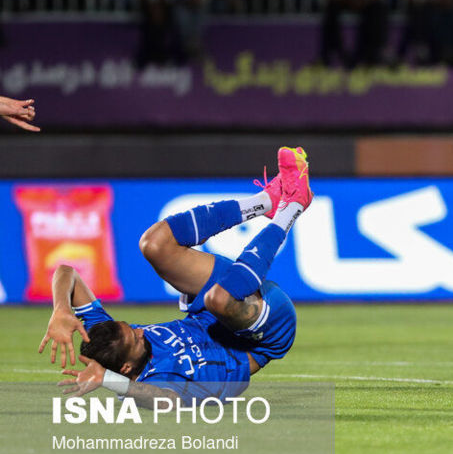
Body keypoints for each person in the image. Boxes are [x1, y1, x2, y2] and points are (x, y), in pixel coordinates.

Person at [40, 147, 314, 407]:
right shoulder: (150, 385)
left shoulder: (111, 342)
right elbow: (167, 401)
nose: (139, 330)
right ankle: (291, 208)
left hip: (212, 313)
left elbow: (67, 273)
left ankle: (266, 201)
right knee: (219, 298)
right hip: (262, 334)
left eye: (131, 327)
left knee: (154, 244)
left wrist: (61, 308)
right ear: (125, 369)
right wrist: (110, 381)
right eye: (135, 338)